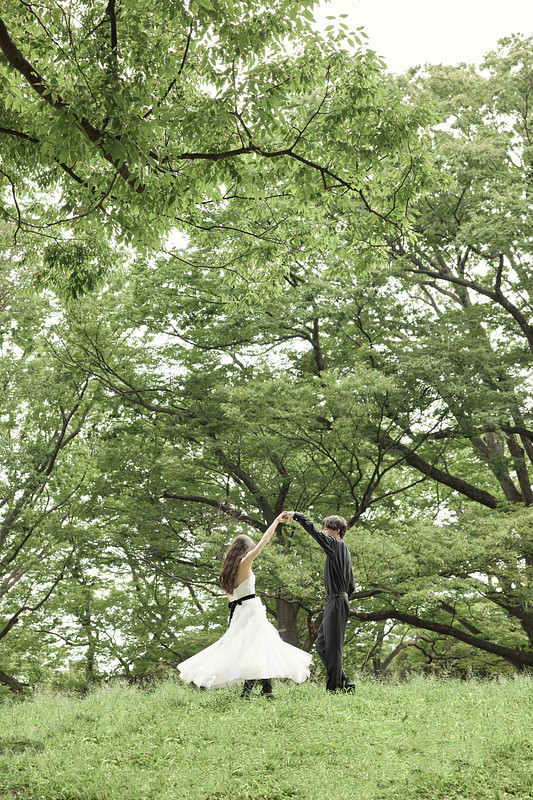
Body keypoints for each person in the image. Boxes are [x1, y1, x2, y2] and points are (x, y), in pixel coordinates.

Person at [177, 512, 312, 699]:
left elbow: (229, 595)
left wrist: (237, 608)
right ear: (245, 550)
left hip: (240, 610)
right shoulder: (245, 562)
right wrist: (275, 522)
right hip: (252, 608)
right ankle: (254, 691)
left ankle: (265, 690)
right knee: (259, 646)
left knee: (256, 647)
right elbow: (264, 541)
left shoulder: (227, 570)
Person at [284, 511, 356, 693]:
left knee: (334, 647)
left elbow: (314, 533)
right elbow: (352, 585)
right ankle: (344, 683)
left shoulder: (337, 545)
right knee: (322, 645)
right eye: (323, 528)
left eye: (326, 529)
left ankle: (335, 688)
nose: (323, 532)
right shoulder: (340, 551)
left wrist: (297, 516)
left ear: (337, 530)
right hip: (336, 600)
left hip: (338, 599)